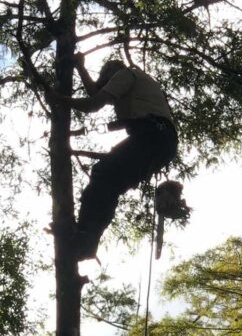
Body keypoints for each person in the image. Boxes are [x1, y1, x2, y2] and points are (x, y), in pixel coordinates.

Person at [51, 55, 178, 260]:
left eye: (106, 80)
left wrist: (58, 99)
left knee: (103, 172)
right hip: (162, 140)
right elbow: (97, 94)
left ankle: (85, 237)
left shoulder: (125, 74)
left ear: (112, 72)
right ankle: (87, 241)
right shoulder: (138, 86)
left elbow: (93, 103)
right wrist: (81, 67)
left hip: (152, 135)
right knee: (111, 186)